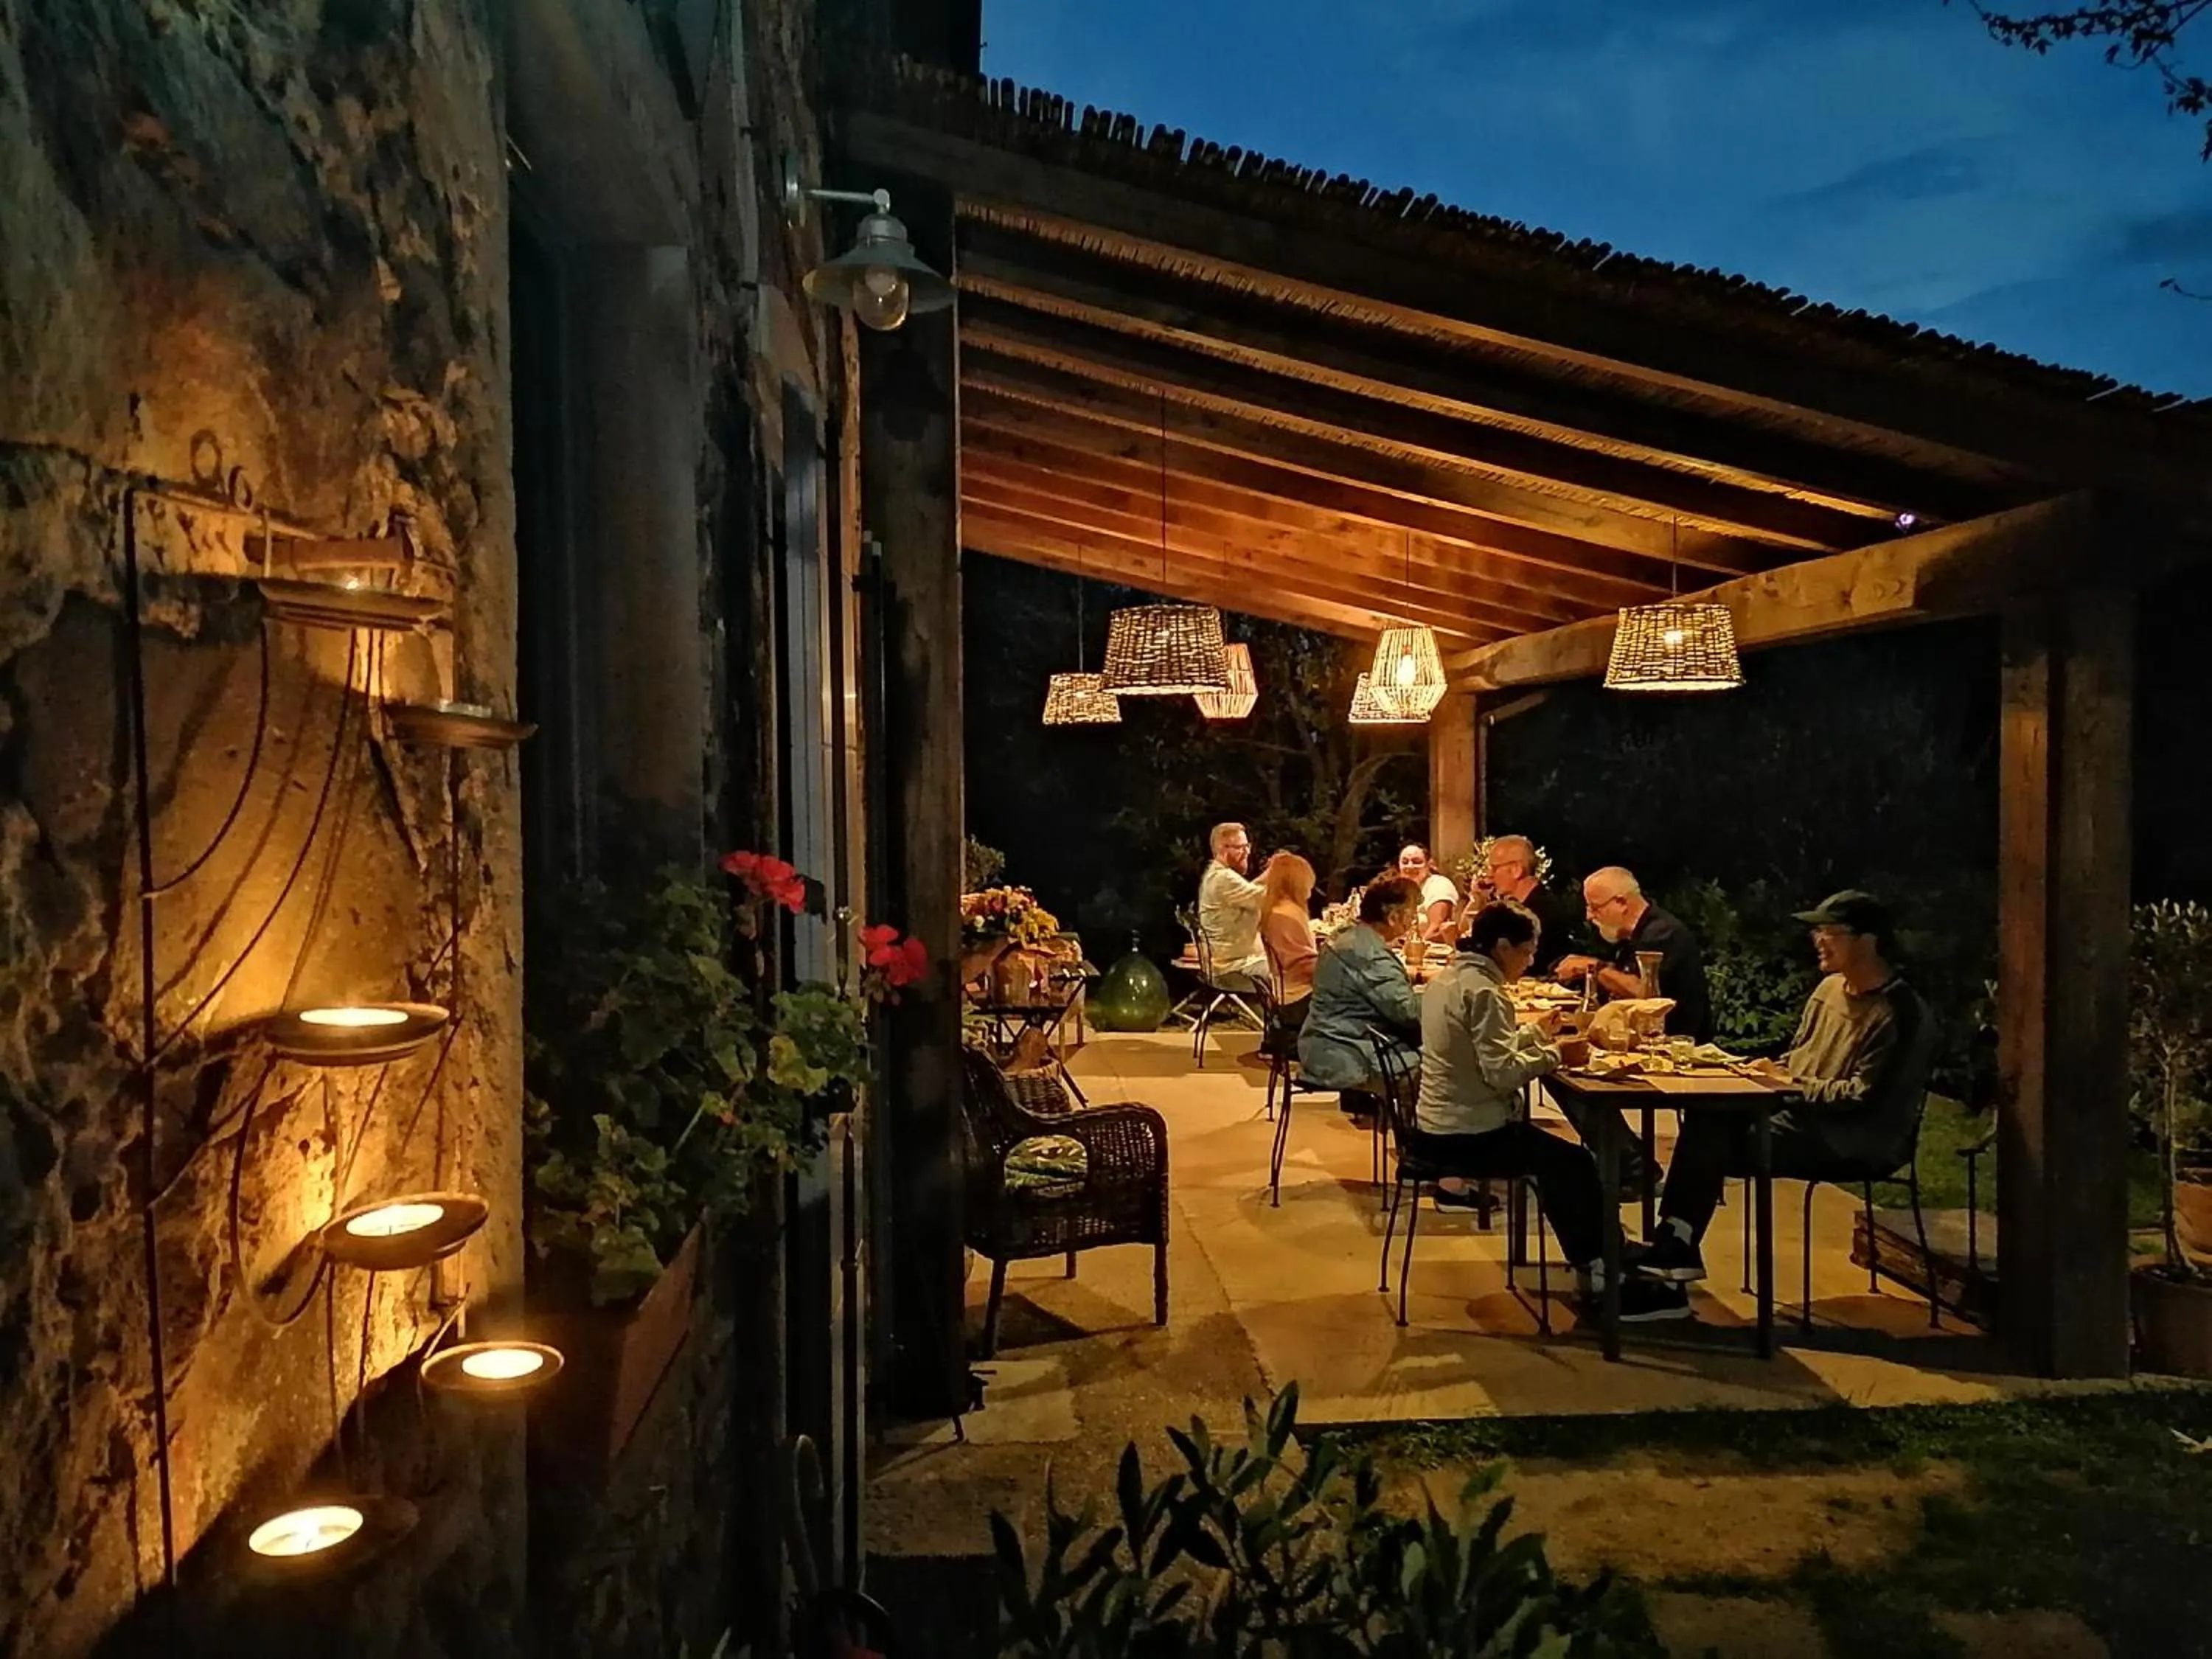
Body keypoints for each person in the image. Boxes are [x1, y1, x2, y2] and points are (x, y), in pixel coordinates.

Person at [1637, 891, 1939, 1289]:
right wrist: (1761, 1071)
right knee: (1708, 1113)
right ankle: (1676, 1242)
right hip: (1796, 1114)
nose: (1819, 940)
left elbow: (1862, 1098)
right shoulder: (1829, 989)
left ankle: (1676, 1247)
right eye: (1817, 931)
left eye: (1831, 931)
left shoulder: (1899, 1012)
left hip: (1848, 1139)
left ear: (1868, 941)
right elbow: (1798, 1056)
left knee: (1714, 1140)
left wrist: (1791, 1085)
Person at [1414, 902, 1688, 1321]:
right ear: (1503, 946)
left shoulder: (1446, 979)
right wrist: (1556, 1054)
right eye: (1526, 952)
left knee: (1562, 1162)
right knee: (1574, 1163)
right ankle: (1604, 1274)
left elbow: (1478, 1051)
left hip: (1436, 1124)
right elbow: (1502, 1074)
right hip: (1468, 1134)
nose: (1528, 962)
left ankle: (1600, 1258)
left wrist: (1532, 1034)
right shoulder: (1485, 992)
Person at [1298, 877, 1425, 1097]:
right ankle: (1416, 1130)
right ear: (1394, 917)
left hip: (1324, 1043)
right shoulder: (1369, 953)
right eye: (1412, 915)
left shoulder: (1347, 935)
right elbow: (1409, 1013)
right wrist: (1443, 996)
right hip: (1349, 1055)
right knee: (1444, 1070)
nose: (1413, 921)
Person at [1554, 866, 1711, 1040]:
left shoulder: (1662, 933)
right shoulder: (1630, 934)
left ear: (1621, 903)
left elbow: (1644, 994)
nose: (1589, 916)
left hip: (1675, 1045)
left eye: (1595, 907)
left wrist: (1593, 968)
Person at [1472, 835, 1583, 975]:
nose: (1489, 875)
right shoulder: (1518, 905)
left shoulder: (1541, 910)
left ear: (1516, 870)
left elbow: (1505, 965)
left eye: (1494, 868)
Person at [1256, 851, 1319, 1055]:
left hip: (1284, 992)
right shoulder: (1288, 915)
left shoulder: (1275, 908)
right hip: (1298, 998)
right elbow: (1304, 966)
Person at [1196, 821, 1267, 990]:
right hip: (1233, 968)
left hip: (1238, 962)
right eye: (1240, 847)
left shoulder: (1218, 875)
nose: (1247, 852)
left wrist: (1272, 874)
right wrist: (1283, 871)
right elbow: (1264, 898)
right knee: (1294, 975)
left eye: (1247, 846)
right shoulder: (1223, 878)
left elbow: (1251, 890)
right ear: (1223, 850)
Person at [1397, 844, 1461, 945]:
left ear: (1428, 864)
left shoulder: (1439, 884)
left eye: (1417, 862)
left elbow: (1436, 928)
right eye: (1405, 862)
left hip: (1432, 952)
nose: (1410, 866)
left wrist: (1413, 949)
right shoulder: (1399, 888)